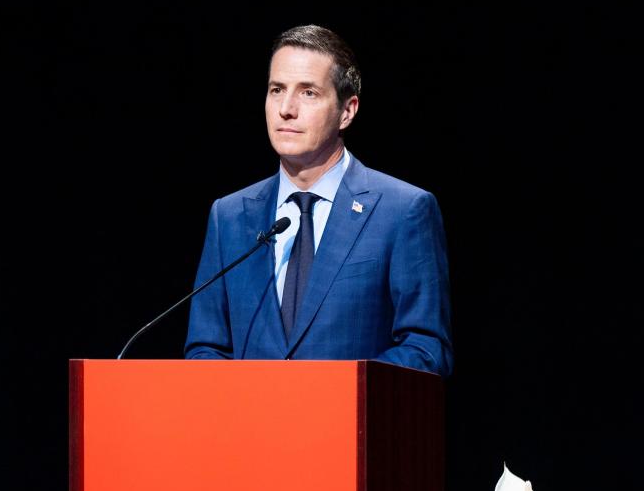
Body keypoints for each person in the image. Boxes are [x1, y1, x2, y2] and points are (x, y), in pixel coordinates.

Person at [184, 24, 452, 376]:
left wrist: (330, 393)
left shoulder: (403, 210)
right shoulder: (230, 216)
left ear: (347, 110)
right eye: (277, 89)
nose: (286, 109)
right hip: (251, 428)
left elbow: (426, 350)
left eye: (308, 93)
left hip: (351, 426)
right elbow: (206, 348)